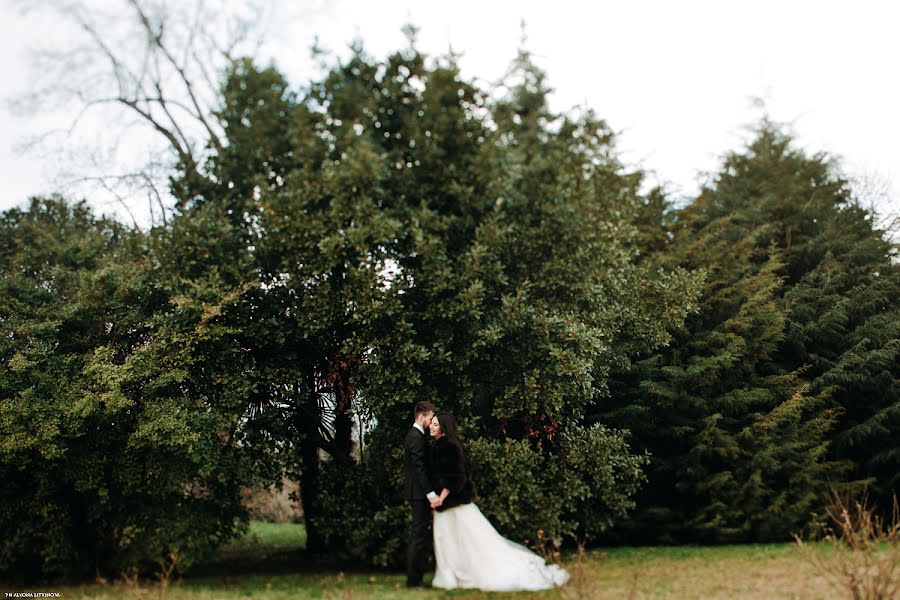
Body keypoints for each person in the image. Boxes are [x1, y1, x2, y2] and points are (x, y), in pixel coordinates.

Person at [428, 412, 570, 591]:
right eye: (431, 424)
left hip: (454, 503)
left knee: (471, 542)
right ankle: (452, 575)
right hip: (447, 504)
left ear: (444, 426)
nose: (431, 427)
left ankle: (463, 573)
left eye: (435, 424)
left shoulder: (449, 445)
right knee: (450, 541)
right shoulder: (439, 445)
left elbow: (456, 477)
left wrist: (440, 499)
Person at [403, 401, 439, 588]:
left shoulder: (418, 435)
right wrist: (430, 494)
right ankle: (413, 581)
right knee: (417, 536)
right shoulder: (415, 437)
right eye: (430, 417)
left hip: (418, 493)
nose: (431, 421)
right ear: (421, 416)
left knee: (419, 535)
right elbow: (419, 468)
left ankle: (416, 578)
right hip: (418, 494)